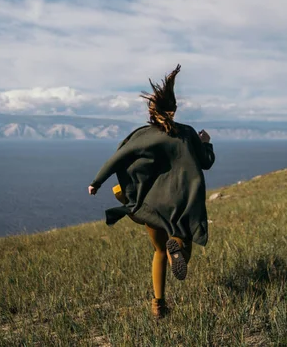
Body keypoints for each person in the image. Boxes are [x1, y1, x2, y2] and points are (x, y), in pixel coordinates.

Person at [87, 64, 215, 318]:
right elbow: (206, 162)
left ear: (151, 110)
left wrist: (97, 182)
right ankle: (176, 250)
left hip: (152, 204)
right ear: (174, 109)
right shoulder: (188, 133)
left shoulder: (142, 136)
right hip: (183, 202)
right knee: (179, 242)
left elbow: (117, 159)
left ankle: (158, 305)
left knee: (157, 250)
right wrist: (206, 143)